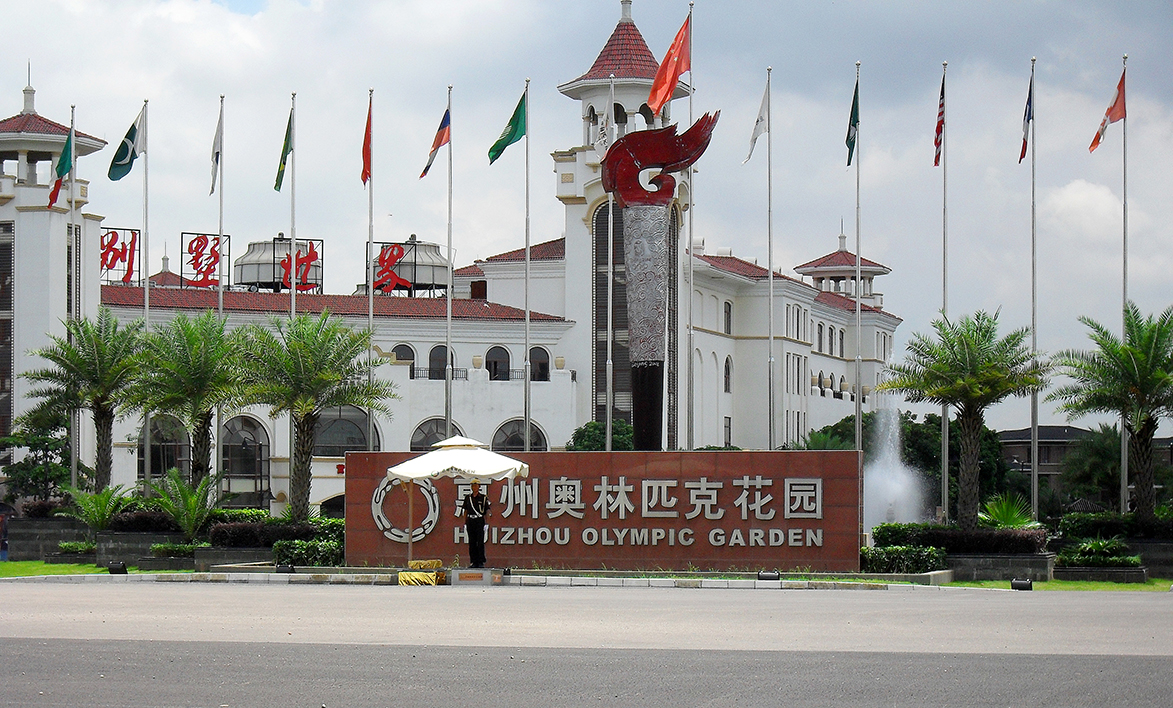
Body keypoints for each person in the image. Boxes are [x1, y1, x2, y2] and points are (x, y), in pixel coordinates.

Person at [461, 480, 490, 568]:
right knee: (472, 542)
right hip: (470, 520)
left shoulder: (483, 498)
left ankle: (480, 561)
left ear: (479, 486)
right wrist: (465, 522)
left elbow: (487, 511)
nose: (474, 487)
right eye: (472, 485)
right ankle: (473, 561)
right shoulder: (468, 498)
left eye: (476, 485)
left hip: (479, 520)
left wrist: (486, 523)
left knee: (480, 542)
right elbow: (465, 510)